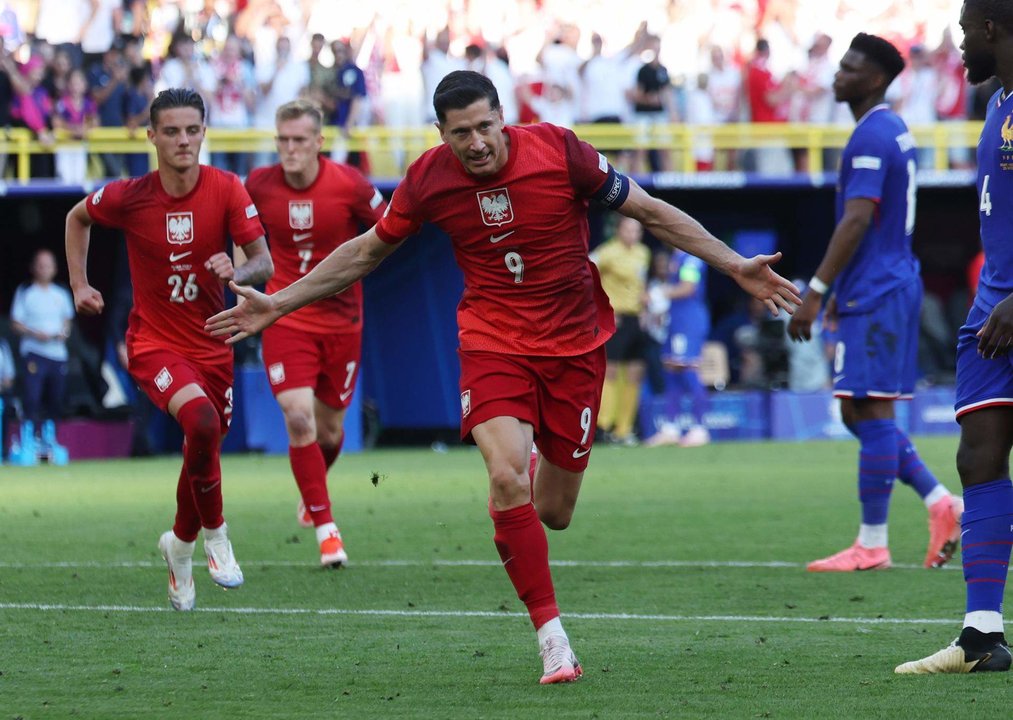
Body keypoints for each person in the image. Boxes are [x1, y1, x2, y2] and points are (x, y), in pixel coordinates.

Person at [205, 70, 800, 684]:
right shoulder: (428, 178)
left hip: (574, 345)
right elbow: (366, 251)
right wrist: (278, 301)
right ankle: (552, 638)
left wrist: (733, 265)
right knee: (505, 477)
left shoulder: (560, 150)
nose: (477, 143)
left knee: (556, 511)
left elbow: (648, 210)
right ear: (442, 133)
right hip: (493, 341)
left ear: (503, 117)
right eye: (461, 133)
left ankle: (537, 470)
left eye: (486, 127)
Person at [65, 88, 273, 612]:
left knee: (200, 450)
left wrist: (237, 270)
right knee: (200, 425)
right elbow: (76, 218)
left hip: (214, 343)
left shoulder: (227, 188)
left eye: (192, 130)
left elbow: (263, 262)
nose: (183, 140)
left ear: (204, 132)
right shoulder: (131, 195)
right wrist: (78, 285)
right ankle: (216, 539)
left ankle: (178, 548)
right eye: (172, 131)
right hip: (153, 343)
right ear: (151, 135)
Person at [788, 33, 963, 574]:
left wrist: (816, 292)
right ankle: (941, 503)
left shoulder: (872, 135)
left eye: (849, 68)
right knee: (855, 408)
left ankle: (873, 543)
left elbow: (858, 218)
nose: (838, 75)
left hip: (880, 289)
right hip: (876, 285)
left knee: (871, 408)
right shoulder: (887, 130)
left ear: (877, 79)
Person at [895, 0, 1013, 674]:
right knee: (977, 457)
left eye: (965, 33)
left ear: (991, 29)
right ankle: (980, 636)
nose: (959, 47)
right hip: (990, 312)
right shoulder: (997, 103)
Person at [245, 99, 386, 568]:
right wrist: (239, 270)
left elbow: (391, 230)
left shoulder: (349, 185)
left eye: (299, 140)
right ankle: (328, 532)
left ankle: (313, 491)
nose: (290, 149)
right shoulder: (258, 185)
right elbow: (240, 236)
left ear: (319, 142)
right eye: (282, 140)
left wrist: (363, 268)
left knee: (329, 431)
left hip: (342, 323)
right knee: (299, 419)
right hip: (284, 316)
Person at [591, 216, 651, 446]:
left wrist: (645, 303)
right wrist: (600, 306)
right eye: (628, 229)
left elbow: (641, 281)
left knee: (635, 371)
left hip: (636, 318)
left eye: (637, 230)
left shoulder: (643, 253)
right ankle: (605, 425)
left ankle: (625, 429)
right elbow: (586, 272)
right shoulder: (607, 252)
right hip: (616, 317)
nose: (633, 235)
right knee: (611, 371)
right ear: (618, 231)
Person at [645, 248, 712, 447]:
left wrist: (659, 292)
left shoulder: (691, 259)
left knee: (689, 370)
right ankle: (671, 428)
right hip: (675, 321)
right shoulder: (676, 257)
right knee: (672, 371)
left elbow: (689, 288)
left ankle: (700, 428)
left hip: (689, 322)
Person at [10, 249, 74, 447]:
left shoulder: (61, 294)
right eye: (40, 265)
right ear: (33, 268)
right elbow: (16, 323)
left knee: (56, 397)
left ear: (54, 269)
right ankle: (29, 438)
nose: (44, 269)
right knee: (32, 396)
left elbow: (68, 319)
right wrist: (34, 333)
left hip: (57, 354)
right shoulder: (26, 292)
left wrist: (64, 332)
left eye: (48, 265)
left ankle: (50, 437)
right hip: (34, 352)